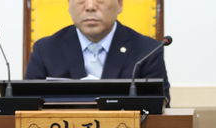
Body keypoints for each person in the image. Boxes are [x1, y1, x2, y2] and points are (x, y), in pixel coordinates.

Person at [24, 0, 171, 101]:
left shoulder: (147, 51)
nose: (90, 7)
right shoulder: (46, 49)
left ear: (119, 4)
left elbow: (160, 108)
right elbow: (27, 105)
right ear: (68, 5)